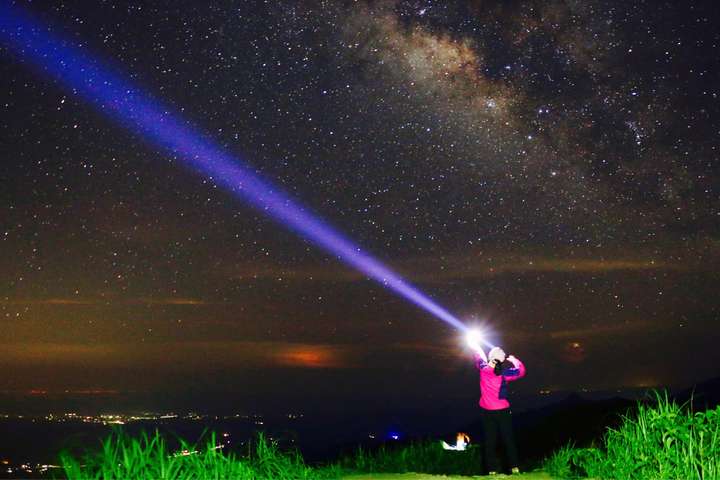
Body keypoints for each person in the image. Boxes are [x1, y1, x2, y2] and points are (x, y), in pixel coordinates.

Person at [473, 345, 526, 475]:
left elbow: (478, 357)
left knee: (490, 441)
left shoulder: (483, 369)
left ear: (490, 359)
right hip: (502, 411)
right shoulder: (504, 374)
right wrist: (514, 360)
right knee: (508, 439)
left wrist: (476, 346)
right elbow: (521, 371)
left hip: (487, 411)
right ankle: (515, 468)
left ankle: (492, 470)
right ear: (501, 360)